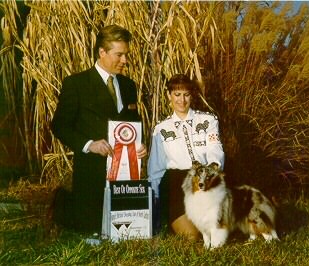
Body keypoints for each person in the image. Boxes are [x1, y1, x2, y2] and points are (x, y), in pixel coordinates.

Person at [51, 24, 147, 233]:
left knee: (128, 233)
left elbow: (133, 124)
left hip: (124, 179)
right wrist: (88, 145)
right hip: (91, 177)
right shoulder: (76, 83)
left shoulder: (129, 85)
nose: (125, 61)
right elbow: (59, 125)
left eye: (126, 55)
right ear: (102, 52)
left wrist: (140, 145)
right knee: (91, 230)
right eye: (119, 55)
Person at [147, 74, 225, 239]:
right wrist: (154, 202)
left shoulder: (208, 120)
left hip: (204, 178)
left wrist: (211, 173)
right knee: (191, 236)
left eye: (186, 94)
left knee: (215, 229)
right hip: (176, 182)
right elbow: (155, 169)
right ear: (169, 95)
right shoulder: (160, 129)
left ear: (192, 95)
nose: (181, 100)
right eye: (177, 94)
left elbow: (215, 150)